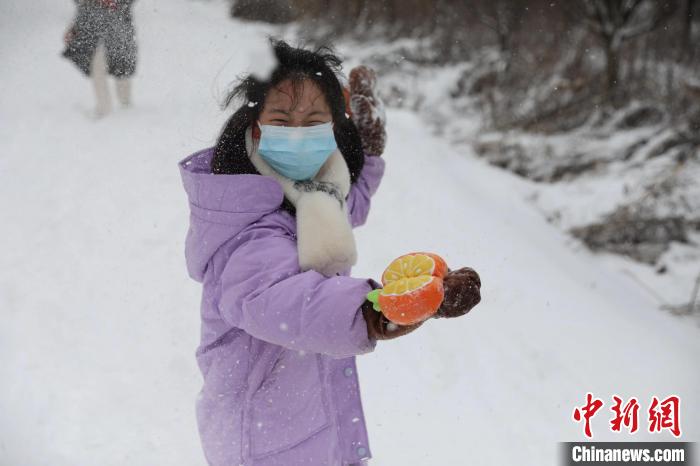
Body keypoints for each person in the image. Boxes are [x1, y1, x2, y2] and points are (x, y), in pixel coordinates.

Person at [178, 40, 482, 466]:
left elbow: (345, 207)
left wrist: (370, 152)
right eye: (282, 119)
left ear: (333, 131)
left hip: (306, 422)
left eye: (314, 121)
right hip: (261, 438)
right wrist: (381, 310)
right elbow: (281, 298)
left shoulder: (312, 194)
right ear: (256, 127)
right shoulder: (246, 227)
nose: (299, 134)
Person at [62, 0, 137, 118]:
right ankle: (104, 109)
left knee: (122, 69)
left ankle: (126, 108)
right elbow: (81, 6)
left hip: (119, 28)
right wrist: (73, 28)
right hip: (92, 31)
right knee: (97, 69)